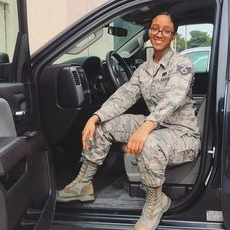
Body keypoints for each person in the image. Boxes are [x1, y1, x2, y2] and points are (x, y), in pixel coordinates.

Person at [56, 11, 201, 230]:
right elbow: (124, 95)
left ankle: (156, 201)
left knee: (148, 144)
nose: (159, 33)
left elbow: (174, 97)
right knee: (104, 127)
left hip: (182, 133)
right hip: (156, 125)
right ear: (149, 31)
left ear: (174, 36)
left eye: (166, 30)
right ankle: (84, 184)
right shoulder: (144, 69)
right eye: (154, 28)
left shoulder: (182, 63)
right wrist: (95, 117)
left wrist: (146, 127)